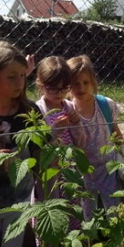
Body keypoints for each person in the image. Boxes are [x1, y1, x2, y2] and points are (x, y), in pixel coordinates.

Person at [0, 40, 42, 247]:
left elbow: (38, 151)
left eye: (22, 75)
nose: (19, 82)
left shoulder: (29, 110)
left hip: (19, 196)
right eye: (11, 77)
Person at [67, 54, 124, 221]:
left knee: (115, 212)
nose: (81, 87)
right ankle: (91, 235)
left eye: (85, 82)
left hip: (108, 169)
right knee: (87, 216)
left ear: (93, 82)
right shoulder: (68, 111)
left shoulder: (105, 105)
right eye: (75, 83)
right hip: (82, 171)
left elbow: (116, 134)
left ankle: (115, 233)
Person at [35, 55, 86, 193]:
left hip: (70, 167)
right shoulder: (38, 110)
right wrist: (54, 130)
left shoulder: (69, 107)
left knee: (72, 199)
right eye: (53, 88)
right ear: (41, 85)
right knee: (52, 198)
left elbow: (80, 142)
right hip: (50, 170)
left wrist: (76, 123)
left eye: (64, 88)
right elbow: (39, 144)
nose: (59, 93)